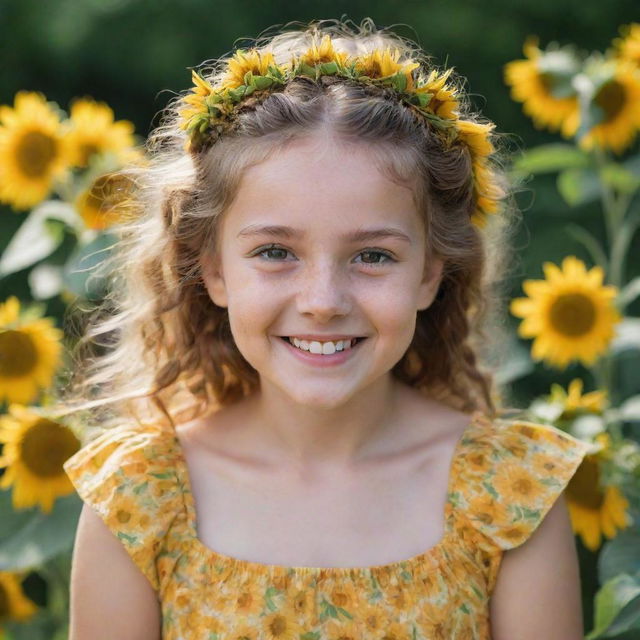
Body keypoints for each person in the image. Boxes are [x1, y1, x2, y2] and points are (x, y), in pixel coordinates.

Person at [58, 17, 593, 639]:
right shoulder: (137, 504)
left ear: (429, 275)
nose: (322, 301)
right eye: (275, 252)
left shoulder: (510, 500)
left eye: (373, 256)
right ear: (213, 271)